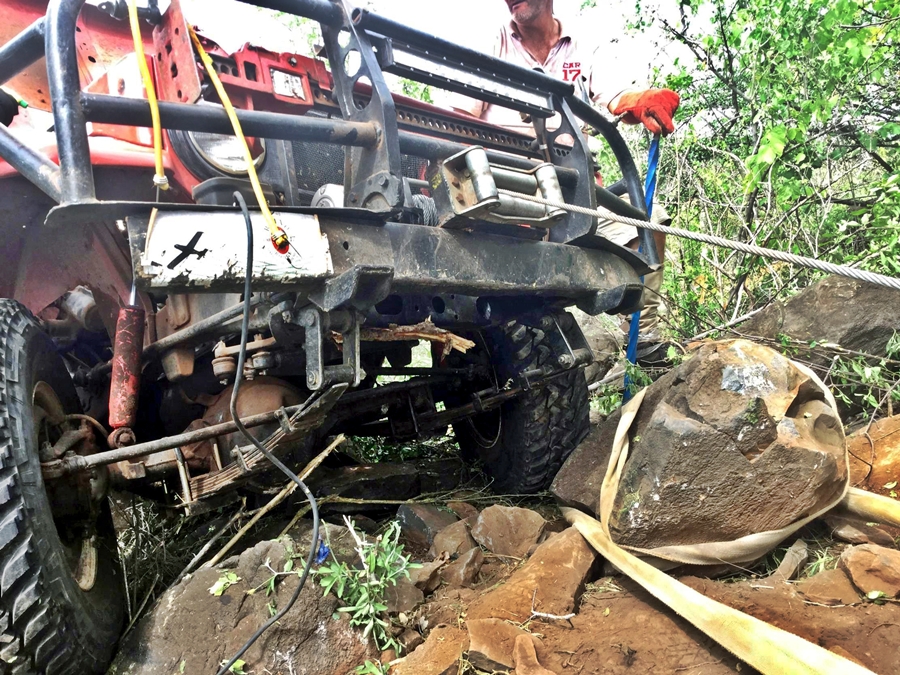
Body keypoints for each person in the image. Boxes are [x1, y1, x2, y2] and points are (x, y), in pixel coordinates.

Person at [449, 0, 679, 354]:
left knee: (648, 221)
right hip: (507, 189)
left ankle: (642, 338)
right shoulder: (491, 43)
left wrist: (641, 100)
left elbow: (616, 97)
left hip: (574, 192)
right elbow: (457, 121)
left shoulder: (582, 47)